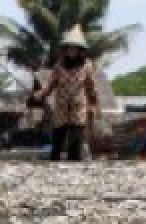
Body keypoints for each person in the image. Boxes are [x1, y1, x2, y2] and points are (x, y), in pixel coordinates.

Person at [33, 26, 99, 162]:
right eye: (69, 48)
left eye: (75, 48)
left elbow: (91, 87)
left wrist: (93, 104)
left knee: (75, 143)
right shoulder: (58, 66)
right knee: (58, 140)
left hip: (78, 107)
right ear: (65, 49)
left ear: (80, 50)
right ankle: (54, 166)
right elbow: (51, 85)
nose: (72, 51)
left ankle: (74, 166)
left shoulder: (87, 66)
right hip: (61, 107)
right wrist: (40, 94)